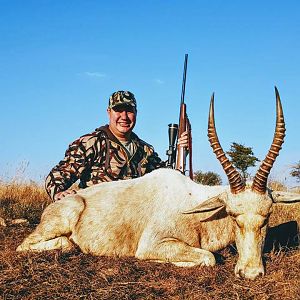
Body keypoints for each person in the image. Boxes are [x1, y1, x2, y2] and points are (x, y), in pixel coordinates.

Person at [45, 91, 189, 201]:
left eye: (129, 111)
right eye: (119, 110)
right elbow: (56, 176)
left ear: (136, 113)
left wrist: (182, 153)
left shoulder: (145, 151)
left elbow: (165, 177)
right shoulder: (91, 143)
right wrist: (58, 193)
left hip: (134, 218)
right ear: (109, 112)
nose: (124, 117)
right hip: (98, 216)